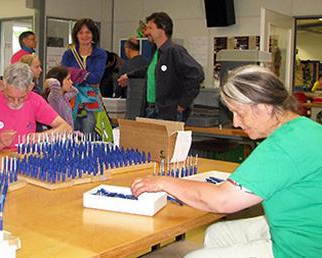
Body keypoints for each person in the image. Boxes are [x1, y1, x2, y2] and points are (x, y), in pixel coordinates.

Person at [131, 65, 322, 258]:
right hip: (308, 226)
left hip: (303, 250)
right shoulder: (304, 128)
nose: (236, 122)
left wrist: (163, 182)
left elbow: (222, 201)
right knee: (217, 234)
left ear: (264, 106)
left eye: (240, 113)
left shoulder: (282, 146)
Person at [118, 12, 204, 121]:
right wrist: (129, 75)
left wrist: (183, 103)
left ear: (162, 28)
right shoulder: (158, 52)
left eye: (150, 28)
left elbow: (197, 74)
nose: (146, 32)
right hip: (153, 110)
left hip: (169, 113)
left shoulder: (174, 51)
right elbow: (150, 70)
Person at [0, 63, 72, 153]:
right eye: (10, 97)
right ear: (2, 85)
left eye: (22, 97)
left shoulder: (35, 100)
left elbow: (67, 128)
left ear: (31, 87)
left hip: (26, 160)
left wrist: (44, 136)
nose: (15, 102)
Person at [61, 18, 107, 135]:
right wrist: (86, 75)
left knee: (89, 134)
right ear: (76, 35)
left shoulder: (100, 54)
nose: (84, 36)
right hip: (71, 100)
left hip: (91, 101)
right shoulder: (69, 54)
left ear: (93, 34)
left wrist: (75, 73)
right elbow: (63, 76)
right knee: (71, 134)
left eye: (88, 32)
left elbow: (96, 78)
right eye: (80, 32)